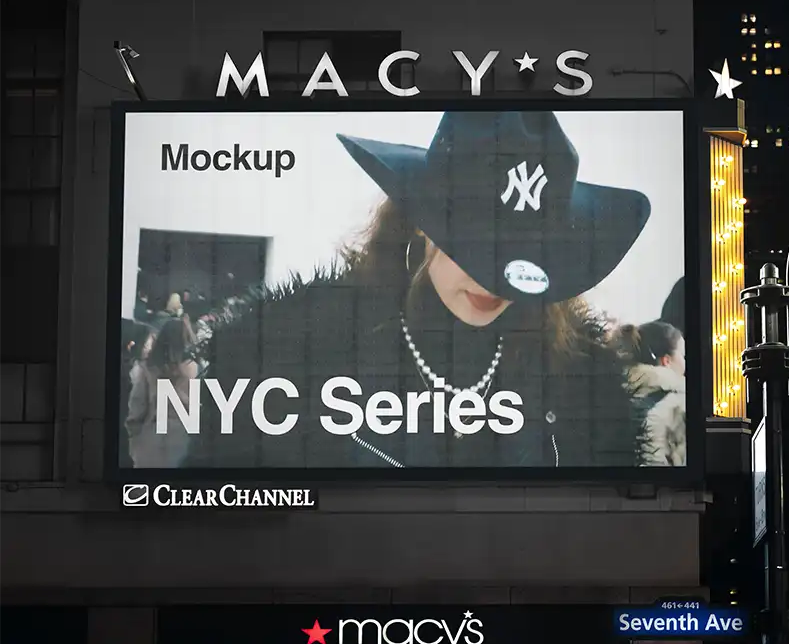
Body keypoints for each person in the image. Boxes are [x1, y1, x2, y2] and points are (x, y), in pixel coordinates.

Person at [191, 110, 653, 470]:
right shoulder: (288, 352)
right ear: (421, 226)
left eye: (522, 255)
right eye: (473, 248)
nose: (491, 280)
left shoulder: (584, 386)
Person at [125, 315, 199, 468]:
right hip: (183, 447)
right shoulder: (194, 370)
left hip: (149, 445)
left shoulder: (147, 370)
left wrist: (134, 444)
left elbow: (136, 413)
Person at [618, 307, 686, 467]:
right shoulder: (679, 401)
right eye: (683, 356)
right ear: (666, 361)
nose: (685, 363)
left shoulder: (616, 394)